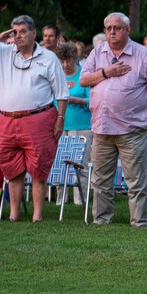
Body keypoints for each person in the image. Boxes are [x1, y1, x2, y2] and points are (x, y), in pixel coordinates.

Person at [80, 12, 147, 227]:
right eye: (108, 27)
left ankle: (139, 221)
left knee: (135, 179)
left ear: (127, 30)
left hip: (131, 128)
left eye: (117, 27)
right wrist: (106, 72)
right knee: (100, 179)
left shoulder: (143, 55)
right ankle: (101, 220)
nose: (112, 31)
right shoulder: (97, 53)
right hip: (102, 127)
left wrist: (135, 102)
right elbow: (83, 80)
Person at [0, 15, 68, 222]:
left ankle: (37, 215)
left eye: (23, 31)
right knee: (12, 169)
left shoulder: (48, 57)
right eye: (14, 32)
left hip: (39, 118)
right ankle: (14, 214)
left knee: (39, 168)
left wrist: (60, 119)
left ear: (34, 33)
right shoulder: (2, 53)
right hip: (7, 120)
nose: (18, 36)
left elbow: (61, 93)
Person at [56, 42, 91, 205]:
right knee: (60, 164)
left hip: (82, 126)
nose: (65, 64)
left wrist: (77, 100)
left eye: (68, 60)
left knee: (80, 164)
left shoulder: (84, 76)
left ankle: (80, 200)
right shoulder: (56, 76)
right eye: (62, 61)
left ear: (74, 59)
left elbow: (93, 100)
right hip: (61, 126)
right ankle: (60, 200)